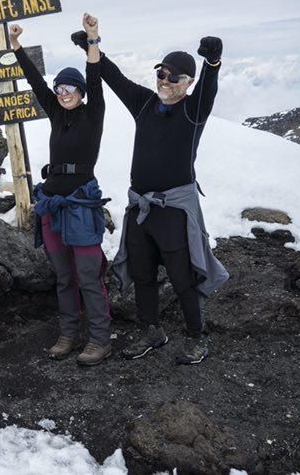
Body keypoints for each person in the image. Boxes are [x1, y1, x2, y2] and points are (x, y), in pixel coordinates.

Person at [103, 33, 229, 365]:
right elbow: (113, 77)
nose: (167, 81)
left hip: (173, 208)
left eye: (176, 77)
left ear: (189, 83)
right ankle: (151, 331)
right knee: (143, 273)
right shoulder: (145, 102)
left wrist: (212, 61)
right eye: (162, 73)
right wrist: (92, 45)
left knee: (181, 275)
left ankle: (196, 337)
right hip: (141, 207)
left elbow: (209, 89)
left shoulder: (193, 110)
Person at [10, 14, 113, 366]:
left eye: (70, 89)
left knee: (87, 275)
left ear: (81, 92)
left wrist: (93, 40)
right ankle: (69, 334)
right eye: (60, 89)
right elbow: (36, 82)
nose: (63, 93)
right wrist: (17, 48)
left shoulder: (93, 112)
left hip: (82, 203)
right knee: (63, 275)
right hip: (52, 204)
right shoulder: (56, 112)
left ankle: (100, 339)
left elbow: (96, 79)